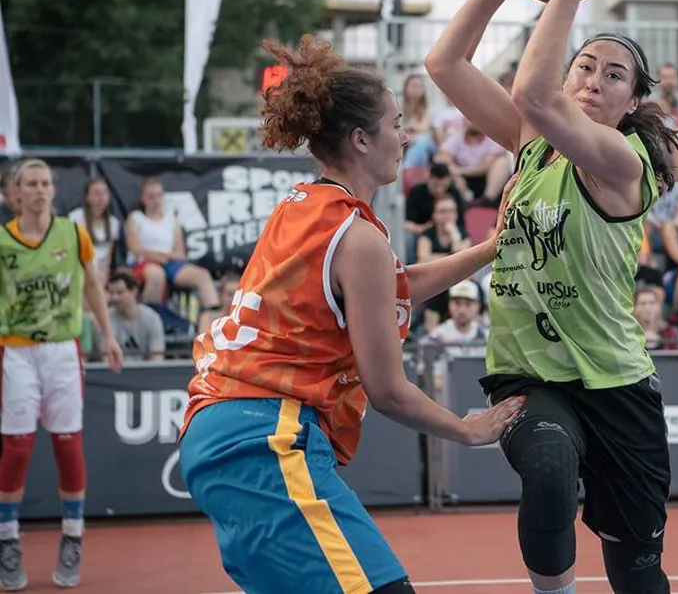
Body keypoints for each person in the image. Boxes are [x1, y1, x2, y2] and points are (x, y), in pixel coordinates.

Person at [177, 35, 523, 594]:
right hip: (265, 437)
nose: (404, 136)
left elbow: (391, 287)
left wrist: (487, 250)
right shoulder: (357, 237)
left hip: (227, 427)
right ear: (362, 139)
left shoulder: (305, 206)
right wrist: (467, 429)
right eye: (395, 124)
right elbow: (387, 390)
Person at [426, 0, 678, 594]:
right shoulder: (530, 140)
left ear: (632, 101)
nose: (594, 80)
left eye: (614, 75)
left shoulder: (622, 162)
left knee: (636, 570)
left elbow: (534, 94)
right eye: (584, 67)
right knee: (547, 469)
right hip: (530, 375)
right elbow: (444, 63)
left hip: (616, 381)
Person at [0, 158, 123, 590]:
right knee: (16, 449)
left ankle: (73, 536)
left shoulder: (74, 234)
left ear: (53, 190)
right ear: (15, 193)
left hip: (63, 351)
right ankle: (7, 540)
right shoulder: (3, 240)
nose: (39, 190)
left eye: (45, 183)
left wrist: (108, 336)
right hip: (15, 351)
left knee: (68, 446)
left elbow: (92, 286)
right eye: (30, 184)